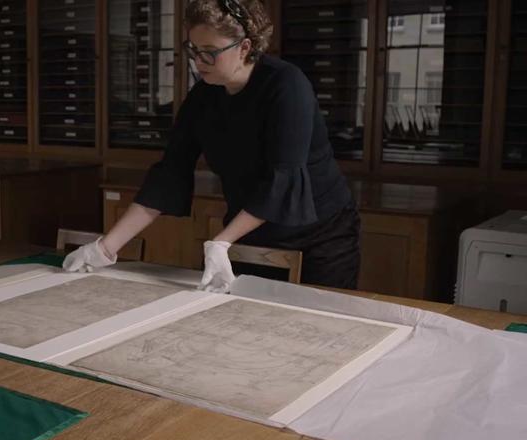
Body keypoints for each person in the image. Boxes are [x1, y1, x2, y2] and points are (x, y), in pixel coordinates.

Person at [63, 0, 360, 293]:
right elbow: (169, 175)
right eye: (193, 50)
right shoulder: (203, 98)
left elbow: (282, 179)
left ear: (244, 47)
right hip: (251, 232)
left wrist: (221, 242)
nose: (198, 62)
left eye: (210, 53)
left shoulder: (286, 85)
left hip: (320, 236)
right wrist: (104, 248)